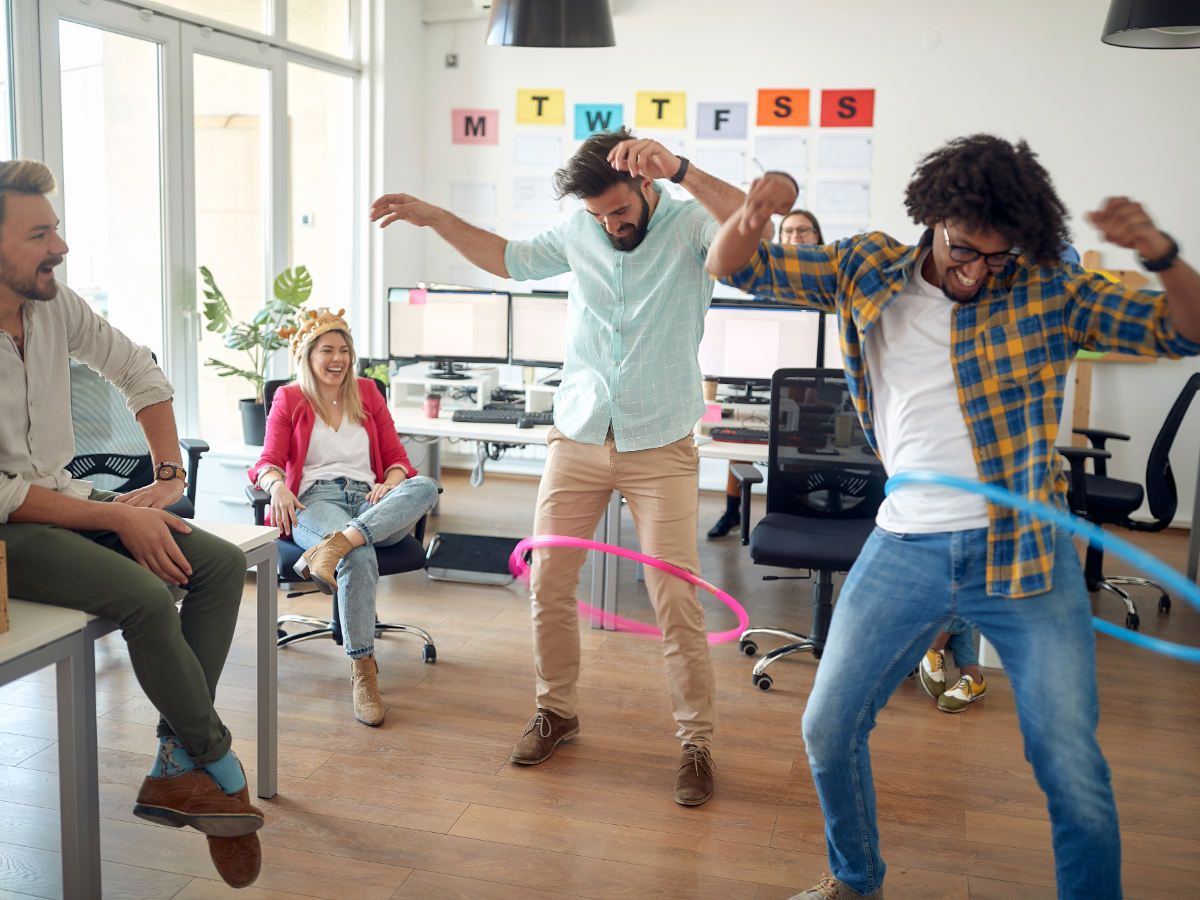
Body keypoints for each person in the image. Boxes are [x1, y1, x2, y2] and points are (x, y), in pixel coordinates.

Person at [706, 133, 1200, 899]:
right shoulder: (868, 267)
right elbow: (735, 267)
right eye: (966, 251)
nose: (979, 273)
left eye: (999, 258)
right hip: (902, 545)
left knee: (1070, 764)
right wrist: (753, 211)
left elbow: (1186, 330)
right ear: (933, 220)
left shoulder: (1047, 289)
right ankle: (856, 881)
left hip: (1026, 554)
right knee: (827, 728)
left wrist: (1162, 255)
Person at [370, 127, 790, 806]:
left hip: (660, 443)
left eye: (619, 211)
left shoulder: (686, 223)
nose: (610, 225)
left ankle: (696, 743)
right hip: (579, 432)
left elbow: (753, 232)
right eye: (599, 216)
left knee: (675, 598)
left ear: (647, 185)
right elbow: (506, 260)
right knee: (549, 582)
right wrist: (435, 217)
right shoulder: (580, 229)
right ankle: (556, 711)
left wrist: (682, 167)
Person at [0, 160, 265, 889]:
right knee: (147, 599)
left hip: (62, 501)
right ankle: (220, 767)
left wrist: (169, 477)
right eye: (40, 233)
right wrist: (114, 514)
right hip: (5, 529)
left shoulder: (54, 304)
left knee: (211, 564)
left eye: (55, 227)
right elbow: (4, 495)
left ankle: (175, 764)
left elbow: (141, 372)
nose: (60, 245)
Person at [249, 308, 438, 727]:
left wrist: (391, 482)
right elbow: (267, 460)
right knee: (358, 557)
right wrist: (277, 485)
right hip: (316, 500)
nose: (338, 358)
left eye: (345, 350)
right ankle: (364, 672)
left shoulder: (368, 392)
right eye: (327, 350)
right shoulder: (291, 397)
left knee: (423, 486)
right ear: (308, 355)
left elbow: (397, 460)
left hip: (371, 500)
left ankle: (335, 545)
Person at [709, 208, 825, 540]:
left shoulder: (827, 288)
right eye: (788, 231)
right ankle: (733, 512)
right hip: (765, 383)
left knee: (801, 435)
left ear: (817, 237)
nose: (795, 237)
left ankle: (796, 513)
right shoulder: (766, 286)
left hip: (813, 389)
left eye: (804, 230)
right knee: (737, 426)